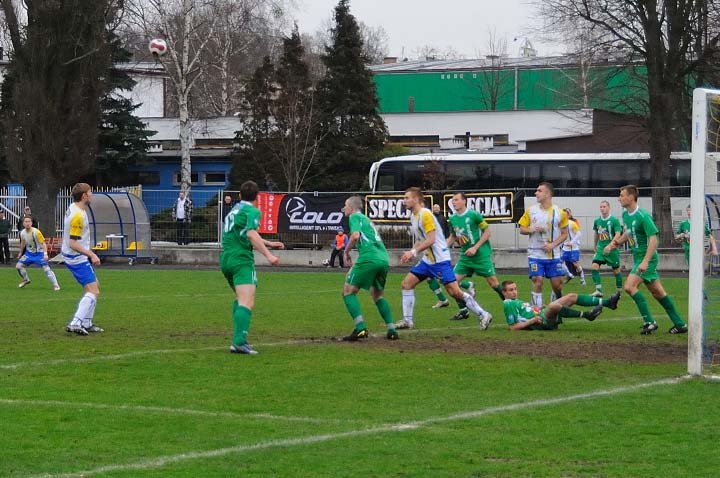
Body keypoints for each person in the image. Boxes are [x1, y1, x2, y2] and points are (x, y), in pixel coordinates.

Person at [395, 187, 492, 330]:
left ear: (416, 199)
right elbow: (421, 239)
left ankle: (483, 314)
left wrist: (413, 252)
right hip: (428, 260)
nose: (404, 201)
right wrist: (411, 251)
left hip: (439, 261)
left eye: (407, 198)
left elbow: (431, 239)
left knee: (454, 292)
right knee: (406, 284)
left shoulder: (425, 214)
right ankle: (407, 321)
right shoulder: (414, 216)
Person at [604, 185, 687, 335]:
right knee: (658, 293)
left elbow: (654, 239)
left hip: (646, 258)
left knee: (629, 286)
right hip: (638, 258)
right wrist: (614, 244)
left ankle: (649, 322)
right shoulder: (626, 214)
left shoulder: (643, 215)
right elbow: (628, 233)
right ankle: (680, 324)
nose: (619, 198)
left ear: (631, 197)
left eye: (622, 195)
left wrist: (645, 261)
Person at [221, 180, 284, 355]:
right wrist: (269, 256)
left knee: (242, 299)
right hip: (241, 260)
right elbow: (250, 233)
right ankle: (239, 342)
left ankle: (239, 338)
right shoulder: (253, 211)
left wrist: (269, 243)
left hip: (226, 258)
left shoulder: (235, 210)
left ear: (239, 196)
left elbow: (246, 234)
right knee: (247, 301)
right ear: (257, 197)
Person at [340, 196, 398, 341]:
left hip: (369, 257)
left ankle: (360, 328)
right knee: (377, 295)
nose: (344, 208)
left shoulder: (354, 216)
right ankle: (392, 329)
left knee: (348, 291)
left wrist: (346, 252)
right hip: (383, 258)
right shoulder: (366, 219)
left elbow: (355, 236)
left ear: (351, 207)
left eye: (345, 206)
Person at [445, 192, 505, 321]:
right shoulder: (453, 218)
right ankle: (463, 310)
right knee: (451, 284)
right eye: (452, 200)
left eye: (456, 200)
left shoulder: (474, 215)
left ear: (464, 201)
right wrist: (442, 249)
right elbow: (453, 237)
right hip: (465, 257)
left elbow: (487, 231)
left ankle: (513, 308)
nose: (453, 202)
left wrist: (475, 247)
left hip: (480, 255)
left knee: (494, 284)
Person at [517, 182, 569, 307]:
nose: (536, 193)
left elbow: (564, 234)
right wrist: (532, 229)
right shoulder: (531, 210)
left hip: (554, 255)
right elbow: (522, 229)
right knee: (537, 281)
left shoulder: (560, 213)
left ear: (548, 194)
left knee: (557, 285)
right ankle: (537, 312)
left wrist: (552, 245)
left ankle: (555, 308)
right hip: (535, 254)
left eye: (539, 190)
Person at [62, 183, 104, 336]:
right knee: (93, 290)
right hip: (76, 257)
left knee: (94, 286)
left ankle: (86, 322)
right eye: (90, 191)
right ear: (84, 196)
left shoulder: (75, 208)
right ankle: (76, 322)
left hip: (75, 255)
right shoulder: (78, 215)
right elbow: (72, 243)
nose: (92, 194)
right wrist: (91, 254)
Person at [501, 280, 620, 330]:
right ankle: (587, 315)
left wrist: (538, 308)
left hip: (542, 314)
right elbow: (513, 327)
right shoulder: (508, 304)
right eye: (511, 290)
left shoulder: (516, 301)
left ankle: (608, 303)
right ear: (504, 292)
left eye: (515, 289)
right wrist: (532, 321)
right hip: (541, 322)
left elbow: (524, 313)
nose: (514, 291)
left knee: (571, 296)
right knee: (553, 306)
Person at [15, 216, 60, 291]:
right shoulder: (22, 233)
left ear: (31, 223)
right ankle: (26, 279)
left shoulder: (36, 232)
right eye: (26, 222)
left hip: (39, 253)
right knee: (18, 266)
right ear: (23, 223)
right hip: (29, 254)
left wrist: (45, 254)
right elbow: (23, 243)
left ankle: (56, 285)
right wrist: (20, 252)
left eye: (29, 221)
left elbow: (43, 243)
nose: (27, 223)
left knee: (46, 269)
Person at [591, 200, 624, 297]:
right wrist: (595, 245)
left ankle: (618, 291)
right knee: (594, 266)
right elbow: (596, 233)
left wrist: (610, 246)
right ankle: (598, 290)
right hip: (601, 248)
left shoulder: (614, 220)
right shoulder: (597, 221)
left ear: (609, 208)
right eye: (601, 207)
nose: (602, 208)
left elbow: (618, 234)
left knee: (616, 271)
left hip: (612, 249)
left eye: (604, 206)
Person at [561, 208, 586, 285]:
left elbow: (579, 234)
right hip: (565, 248)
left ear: (569, 215)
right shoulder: (560, 224)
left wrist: (572, 242)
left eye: (565, 215)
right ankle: (569, 275)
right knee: (560, 262)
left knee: (575, 263)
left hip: (573, 247)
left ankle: (582, 278)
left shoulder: (572, 223)